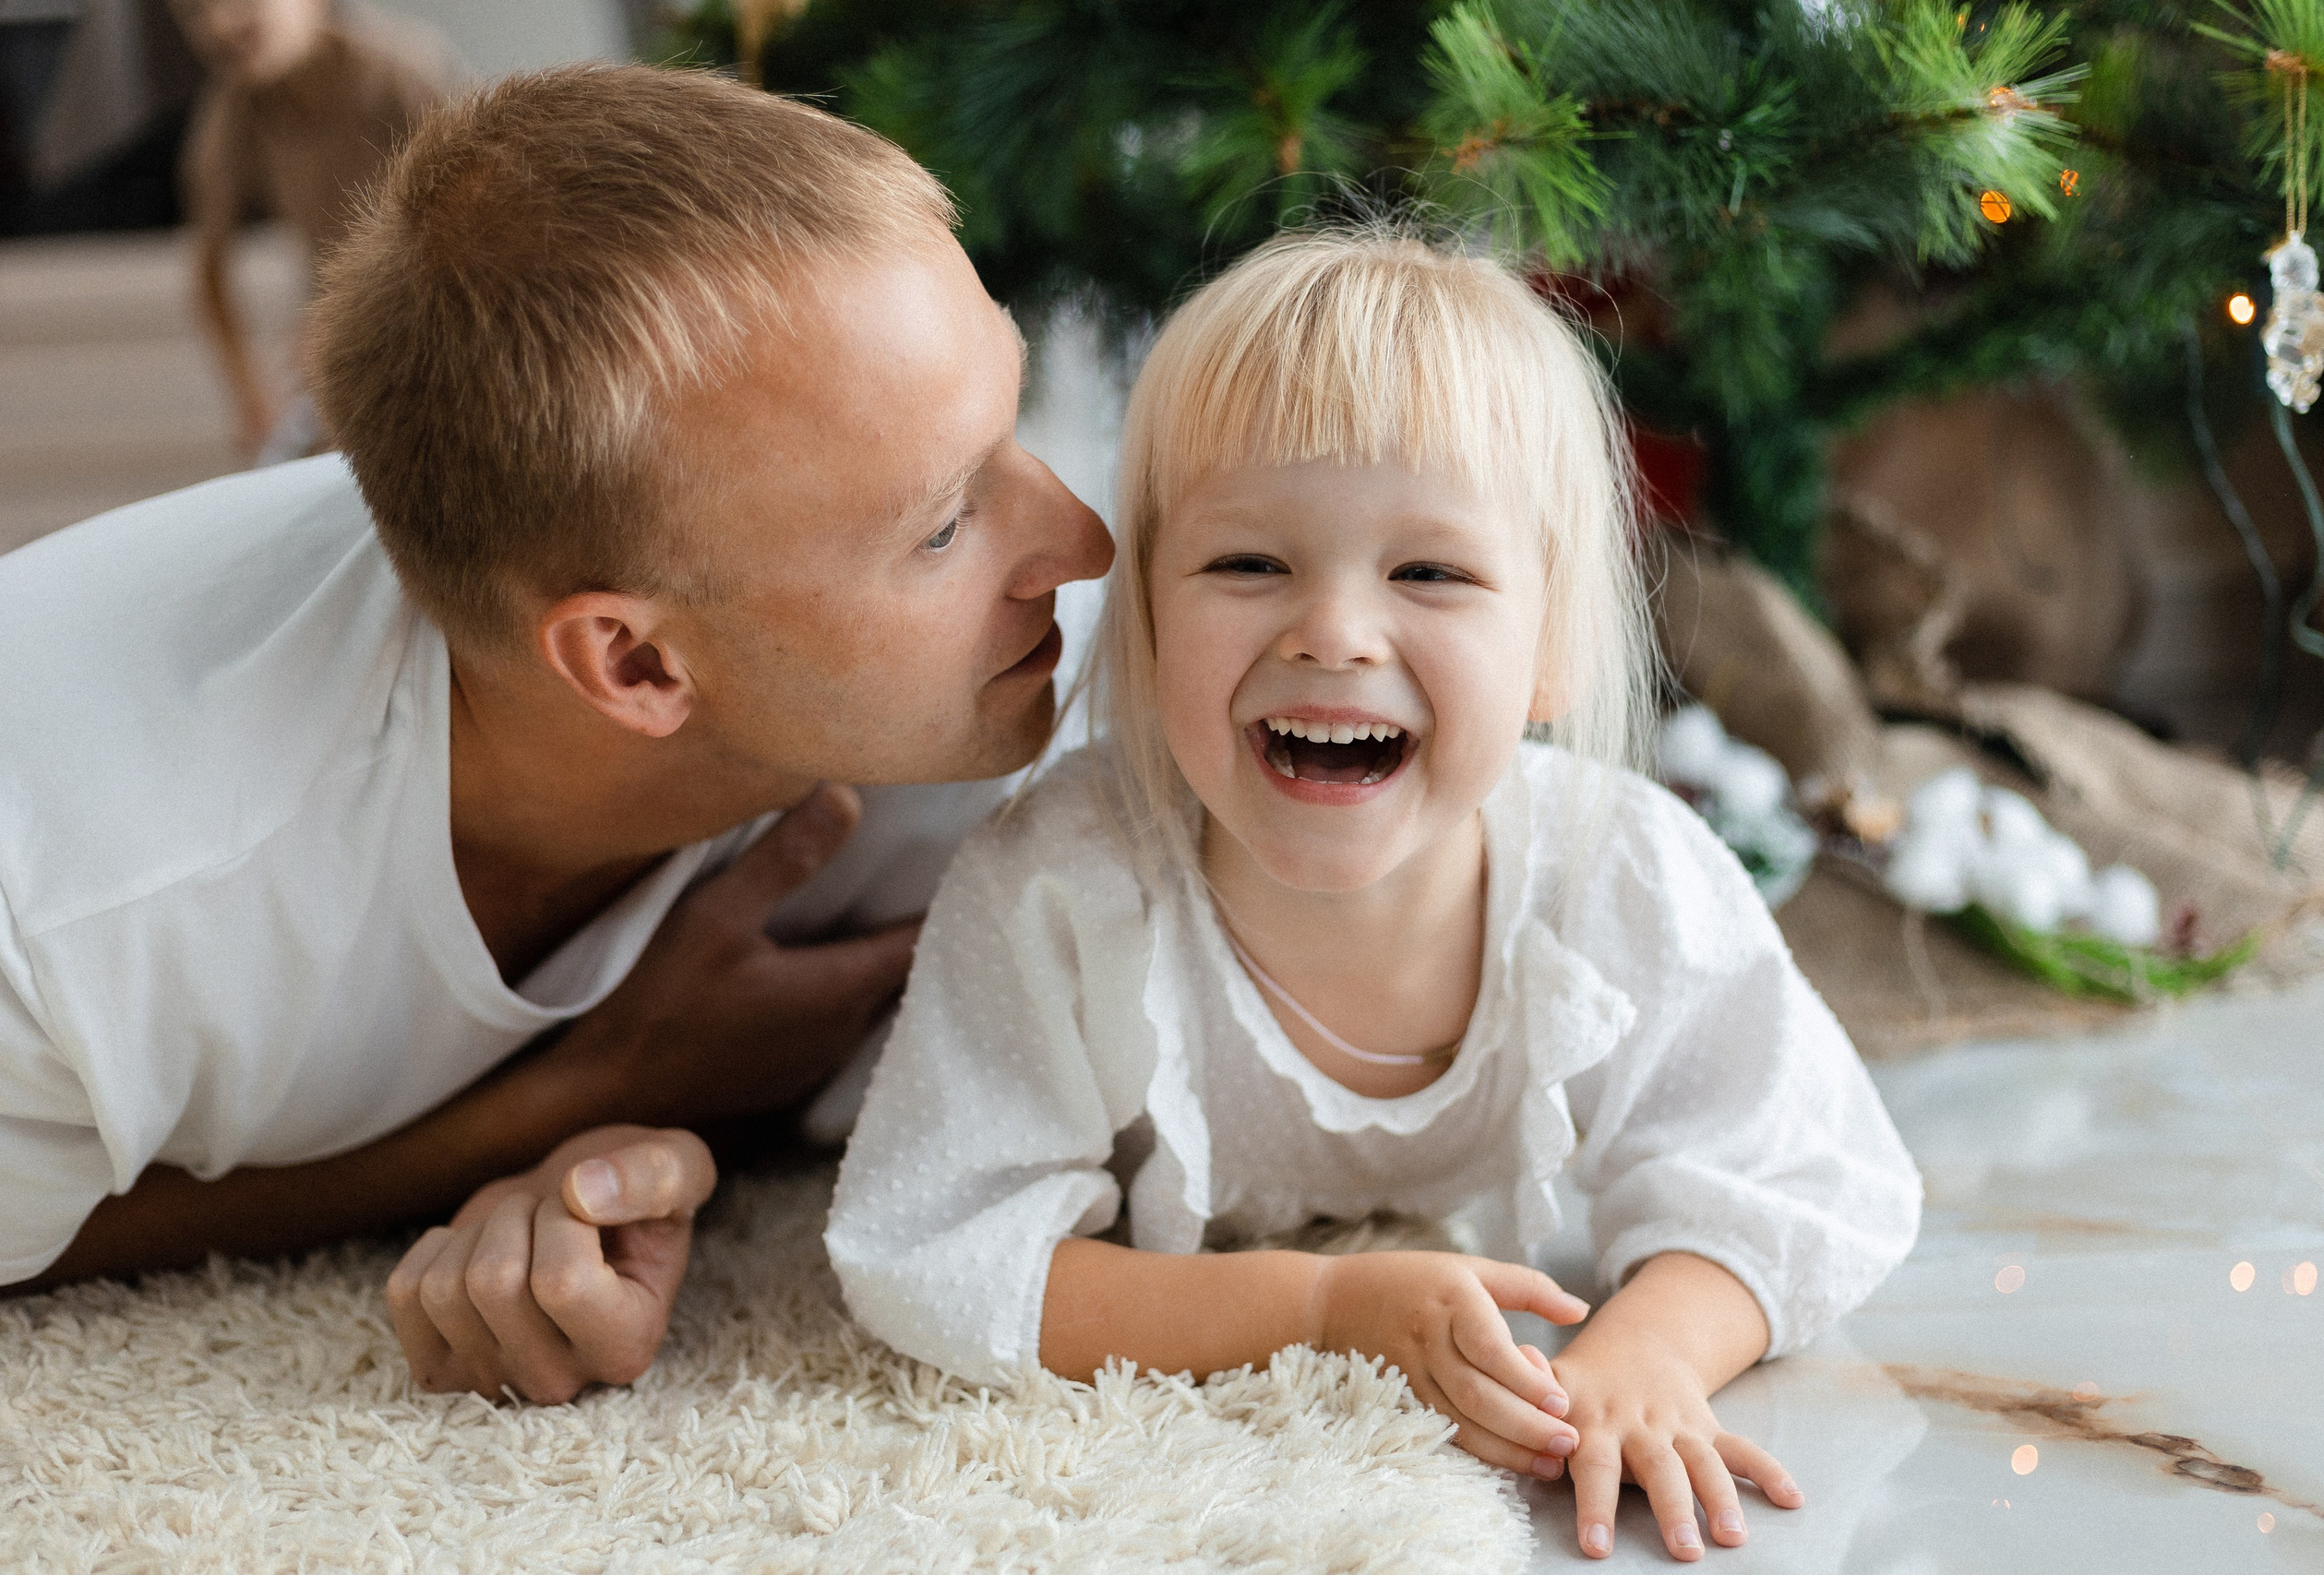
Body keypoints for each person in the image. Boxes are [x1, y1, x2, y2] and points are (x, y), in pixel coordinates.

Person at [0, 66, 1114, 1413]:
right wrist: (578, 1098)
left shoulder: (1018, 671)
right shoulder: (76, 901)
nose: (1083, 538)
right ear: (634, 661)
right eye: (945, 525)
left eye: (1015, 417)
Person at [825, 229, 1922, 1563]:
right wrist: (1318, 1305)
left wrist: (1649, 1350)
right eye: (1248, 565)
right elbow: (936, 1249)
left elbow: (1797, 1172)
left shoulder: (1620, 870)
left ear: (1554, 641)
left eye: (1429, 572)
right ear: (1152, 617)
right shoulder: (1065, 878)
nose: (1333, 630)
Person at [170, 0, 462, 459]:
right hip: (339, 346)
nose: (218, 25)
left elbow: (477, 215)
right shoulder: (235, 110)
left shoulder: (401, 77)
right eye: (193, 13)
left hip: (442, 320)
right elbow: (209, 273)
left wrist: (368, 307)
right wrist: (251, 396)